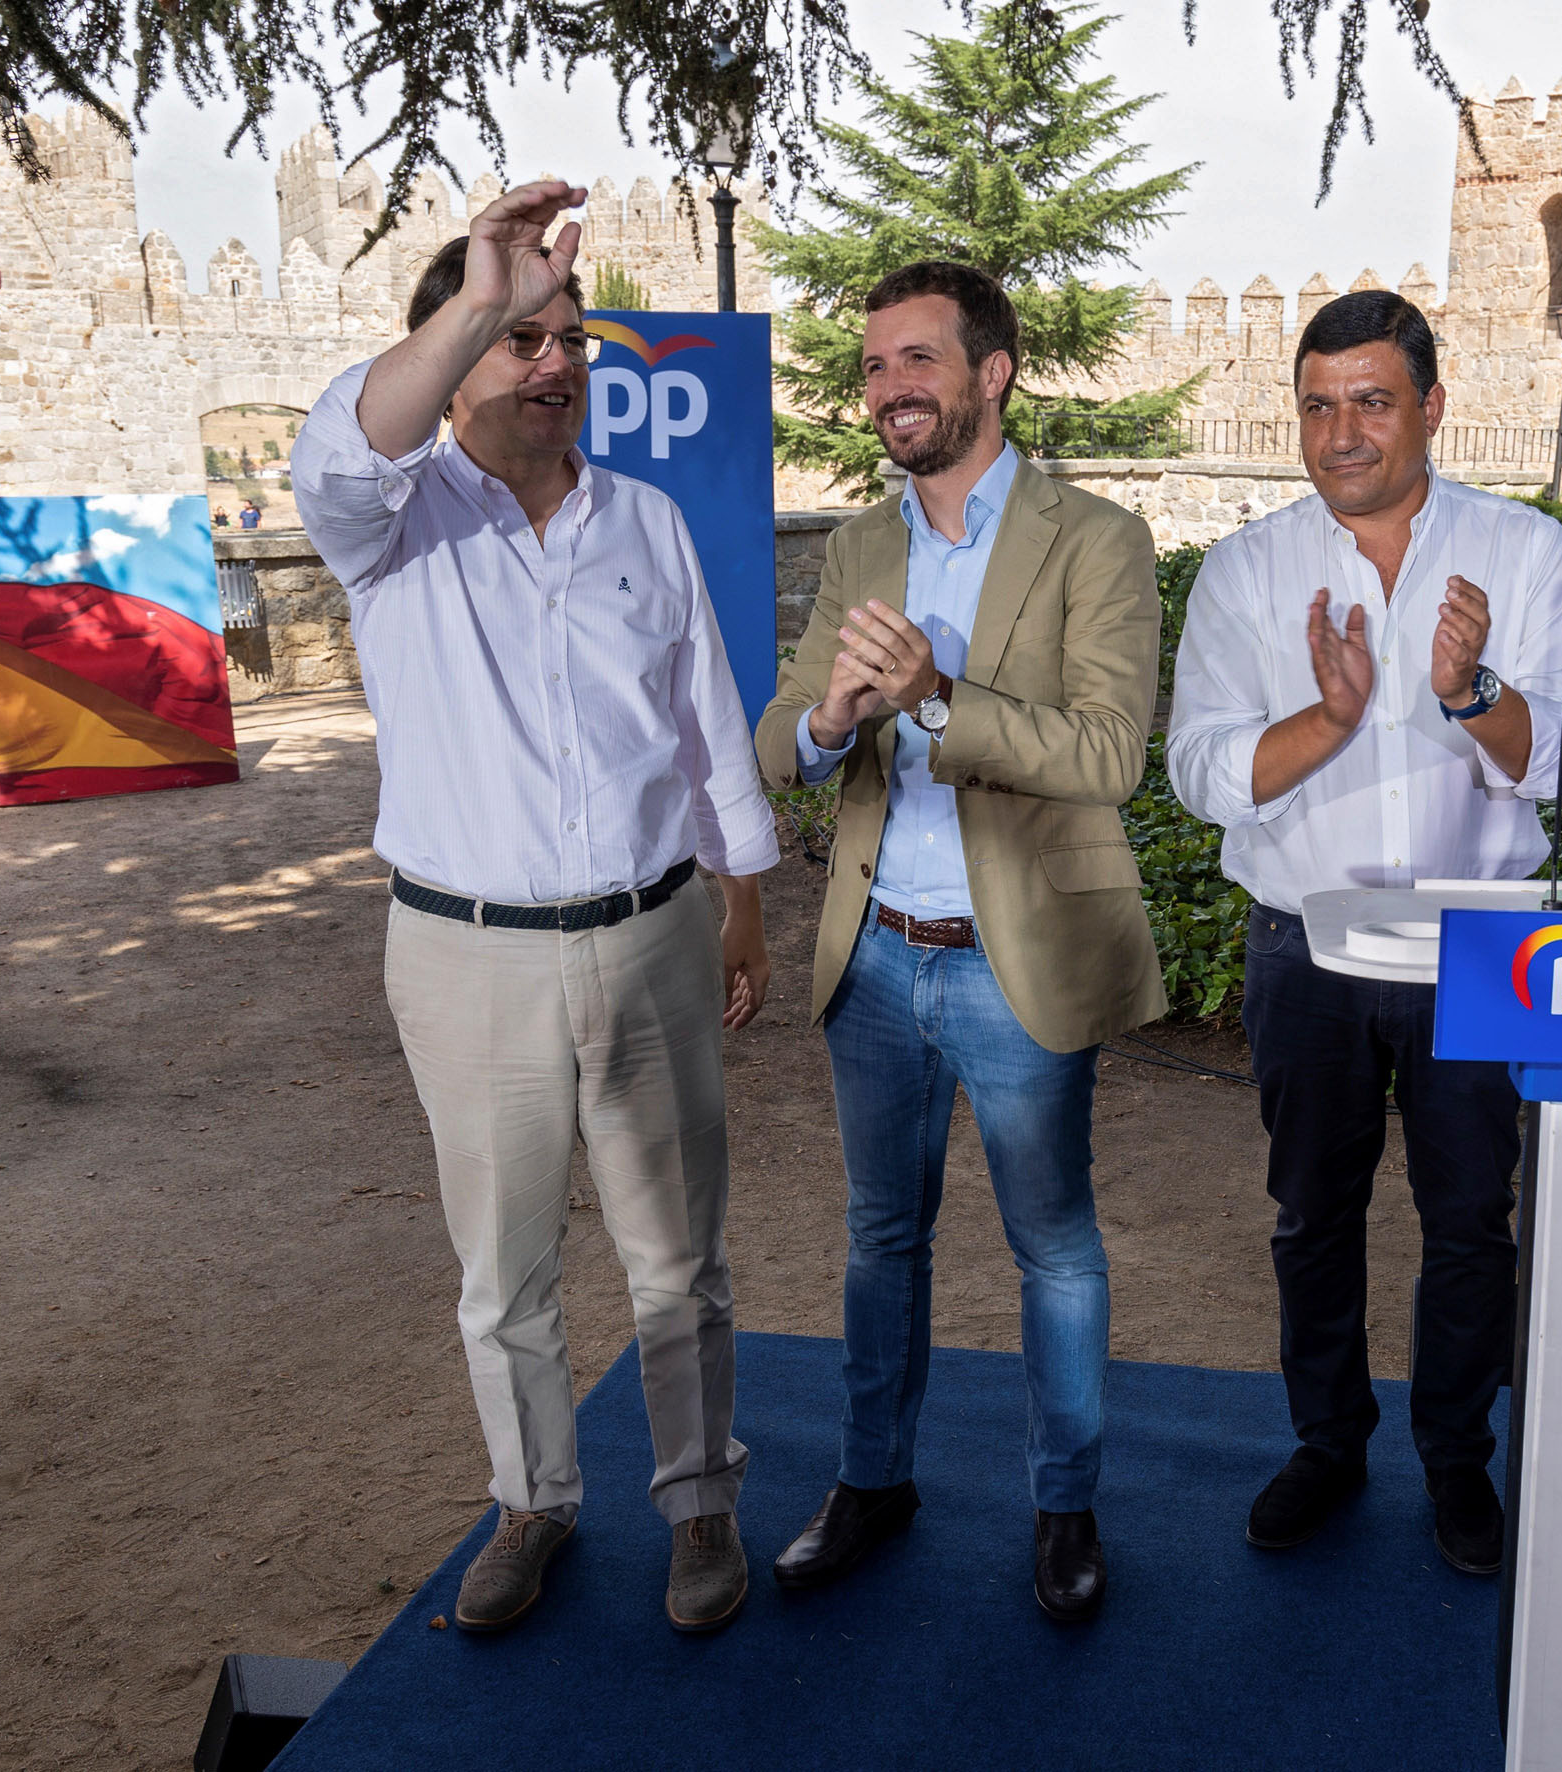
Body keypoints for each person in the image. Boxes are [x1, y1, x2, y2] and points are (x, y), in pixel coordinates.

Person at [294, 180, 779, 1637]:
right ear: (457, 355)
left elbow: (705, 722)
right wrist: (474, 298)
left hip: (653, 936)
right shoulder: (386, 527)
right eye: (521, 337)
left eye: (567, 335)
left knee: (678, 1260)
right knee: (503, 1274)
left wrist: (742, 907)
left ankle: (700, 1507)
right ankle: (532, 1504)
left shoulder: (644, 521)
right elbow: (343, 445)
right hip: (466, 954)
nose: (555, 359)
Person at [1165, 289, 1562, 1575]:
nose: (1341, 431)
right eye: (1317, 404)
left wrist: (1470, 693)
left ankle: (1455, 1458)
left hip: (1481, 945)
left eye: (1370, 400)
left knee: (1472, 1218)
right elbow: (1197, 765)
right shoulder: (1248, 568)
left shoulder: (1526, 554)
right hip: (1301, 943)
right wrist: (1328, 721)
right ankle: (1325, 1438)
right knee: (1310, 1211)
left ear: (1429, 402)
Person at [754, 260, 1165, 1623]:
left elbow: (1107, 754)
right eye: (874, 367)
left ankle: (1064, 1509)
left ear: (991, 372)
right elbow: (782, 738)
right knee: (882, 1237)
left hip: (1015, 954)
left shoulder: (1094, 539)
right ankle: (875, 1483)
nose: (889, 390)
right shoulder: (860, 546)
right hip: (872, 952)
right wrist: (829, 724)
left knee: (1053, 1245)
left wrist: (935, 698)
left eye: (917, 361)